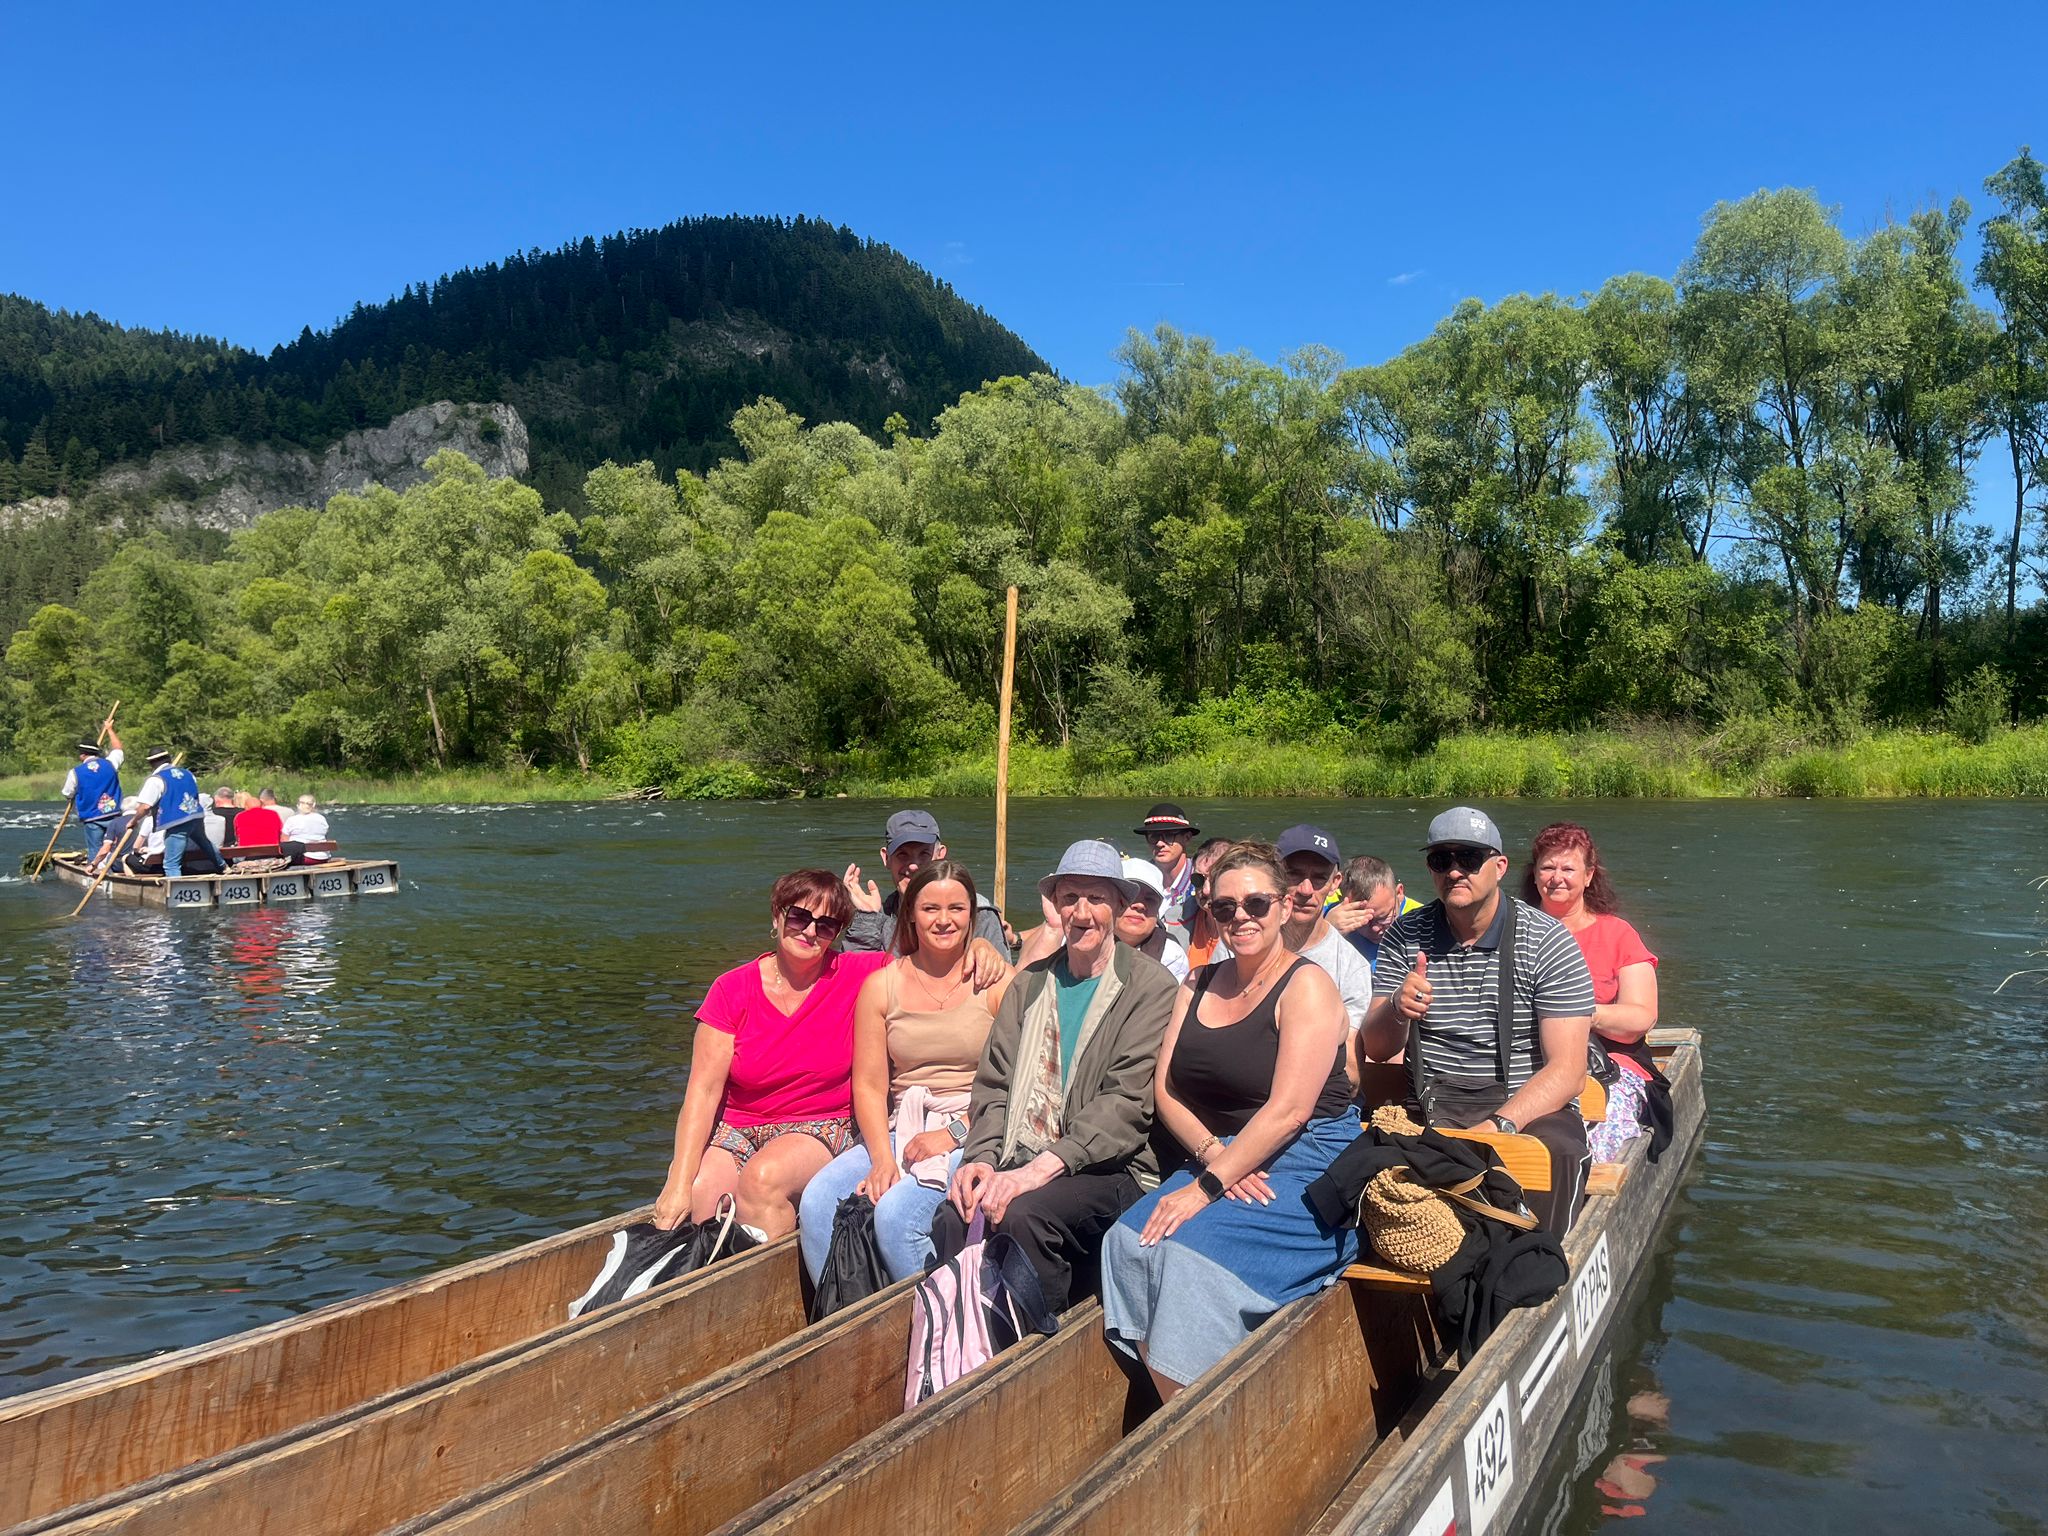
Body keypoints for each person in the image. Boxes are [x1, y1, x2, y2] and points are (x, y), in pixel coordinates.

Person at [1100, 841, 1361, 1399]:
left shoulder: (1308, 986)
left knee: (1194, 1261)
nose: (1240, 917)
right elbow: (1164, 1087)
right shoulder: (1196, 982)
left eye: (1256, 904)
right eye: (1224, 908)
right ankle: (1177, 1396)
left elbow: (1290, 1111)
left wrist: (1207, 1188)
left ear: (1285, 906)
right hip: (1226, 1151)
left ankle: (1190, 1419)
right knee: (1127, 1242)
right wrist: (1215, 1158)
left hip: (1312, 1156)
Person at [655, 871, 1004, 1240]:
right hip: (740, 1126)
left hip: (821, 1123)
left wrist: (981, 947)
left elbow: (930, 963)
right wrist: (678, 1180)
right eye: (799, 917)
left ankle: (772, 1290)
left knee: (762, 1180)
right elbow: (703, 1092)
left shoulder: (859, 974)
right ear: (777, 915)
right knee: (701, 1195)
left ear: (837, 933)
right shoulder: (732, 989)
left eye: (826, 925)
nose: (810, 932)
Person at [934, 839, 1177, 1312]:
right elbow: (994, 1086)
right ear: (1056, 907)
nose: (1082, 913)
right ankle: (960, 1344)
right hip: (1022, 1151)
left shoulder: (1150, 988)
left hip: (1114, 1167)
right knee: (954, 1214)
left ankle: (1040, 1351)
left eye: (1097, 899)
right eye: (1070, 899)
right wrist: (981, 1159)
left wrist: (1036, 1172)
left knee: (1026, 1215)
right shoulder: (1029, 983)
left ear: (1121, 905)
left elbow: (1126, 1105)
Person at [1360, 806, 1596, 1235]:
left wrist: (1498, 1126)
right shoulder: (1405, 935)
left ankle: (1548, 1260)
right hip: (1430, 1105)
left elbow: (1568, 1071)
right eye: (1441, 859)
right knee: (1354, 1161)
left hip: (1527, 1108)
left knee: (1559, 1152)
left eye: (1468, 858)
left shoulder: (1547, 941)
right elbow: (1377, 1049)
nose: (1454, 871)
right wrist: (1397, 1006)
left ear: (1499, 866)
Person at [797, 860, 1015, 1285]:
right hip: (905, 1123)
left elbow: (1016, 1088)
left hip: (977, 1127)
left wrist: (951, 1135)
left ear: (972, 913)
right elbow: (871, 1083)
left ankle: (930, 1331)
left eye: (956, 908)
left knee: (897, 1216)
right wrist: (881, 1159)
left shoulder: (996, 983)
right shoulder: (883, 986)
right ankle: (843, 1318)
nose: (944, 920)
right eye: (931, 908)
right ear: (911, 913)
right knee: (818, 1199)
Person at [1521, 823, 1660, 1164]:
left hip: (1607, 1065)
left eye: (1568, 868)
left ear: (1588, 876)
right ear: (1535, 874)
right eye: (1548, 867)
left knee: (1591, 1139)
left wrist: (1579, 1013)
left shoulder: (1618, 935)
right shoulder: (1513, 930)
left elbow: (1640, 1017)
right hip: (1525, 1061)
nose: (1557, 877)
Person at [842, 809, 1010, 955]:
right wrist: (866, 918)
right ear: (886, 858)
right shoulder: (877, 917)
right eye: (903, 855)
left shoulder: (979, 914)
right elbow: (852, 981)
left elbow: (1003, 985)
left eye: (924, 854)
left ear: (940, 854)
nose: (914, 865)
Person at [1275, 825, 1374, 1040]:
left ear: (1335, 883)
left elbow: (1351, 1065)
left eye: (1319, 878)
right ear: (1275, 875)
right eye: (1294, 874)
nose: (1306, 890)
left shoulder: (1352, 967)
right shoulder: (1240, 943)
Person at [121, 750, 224, 877]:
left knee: (171, 863)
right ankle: (223, 867)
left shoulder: (156, 780)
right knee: (204, 842)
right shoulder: (188, 774)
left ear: (151, 763)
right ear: (169, 759)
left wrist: (134, 820)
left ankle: (177, 890)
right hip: (195, 815)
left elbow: (145, 806)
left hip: (177, 821)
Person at [1327, 855, 1422, 974]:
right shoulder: (1329, 916)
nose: (1375, 929)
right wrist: (1325, 932)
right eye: (1363, 920)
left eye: (1383, 918)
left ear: (1399, 893)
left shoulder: (1422, 922)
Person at [1132, 804, 1201, 942]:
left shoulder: (1202, 883)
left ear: (1187, 838)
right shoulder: (1135, 881)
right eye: (1153, 836)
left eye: (1168, 836)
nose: (1159, 843)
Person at [1116, 857, 1190, 982]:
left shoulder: (1170, 954)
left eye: (1150, 899)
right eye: (1131, 895)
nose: (1139, 905)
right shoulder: (1085, 938)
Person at [61, 727, 125, 864]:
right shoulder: (111, 763)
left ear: (82, 755)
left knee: (95, 849)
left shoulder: (76, 772)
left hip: (92, 817)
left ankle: (95, 872)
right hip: (113, 814)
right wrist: (109, 729)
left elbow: (67, 793)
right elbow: (118, 748)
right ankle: (115, 869)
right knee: (114, 847)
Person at [1184, 837, 1235, 966]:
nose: (1206, 891)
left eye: (1215, 880)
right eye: (1198, 879)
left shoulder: (1249, 933)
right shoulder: (1174, 922)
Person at [281, 795, 331, 860]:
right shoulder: (322, 819)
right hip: (323, 857)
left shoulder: (292, 820)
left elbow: (284, 839)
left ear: (298, 805)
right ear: (313, 805)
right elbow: (325, 833)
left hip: (303, 857)